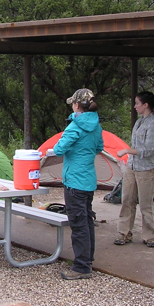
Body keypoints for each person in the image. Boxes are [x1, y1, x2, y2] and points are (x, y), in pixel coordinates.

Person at [46, 88, 104, 280]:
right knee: (87, 221)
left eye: (73, 103)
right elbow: (99, 148)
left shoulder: (75, 126)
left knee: (78, 224)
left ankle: (81, 266)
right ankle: (87, 260)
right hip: (88, 180)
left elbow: (60, 149)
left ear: (77, 105)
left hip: (74, 181)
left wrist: (48, 152)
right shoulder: (96, 126)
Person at [114, 91, 154, 248]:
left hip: (146, 169)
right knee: (127, 200)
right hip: (132, 167)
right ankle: (124, 232)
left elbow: (148, 149)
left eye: (137, 103)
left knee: (146, 203)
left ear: (145, 105)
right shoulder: (139, 122)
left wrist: (127, 151)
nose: (135, 106)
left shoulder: (152, 124)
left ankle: (149, 235)